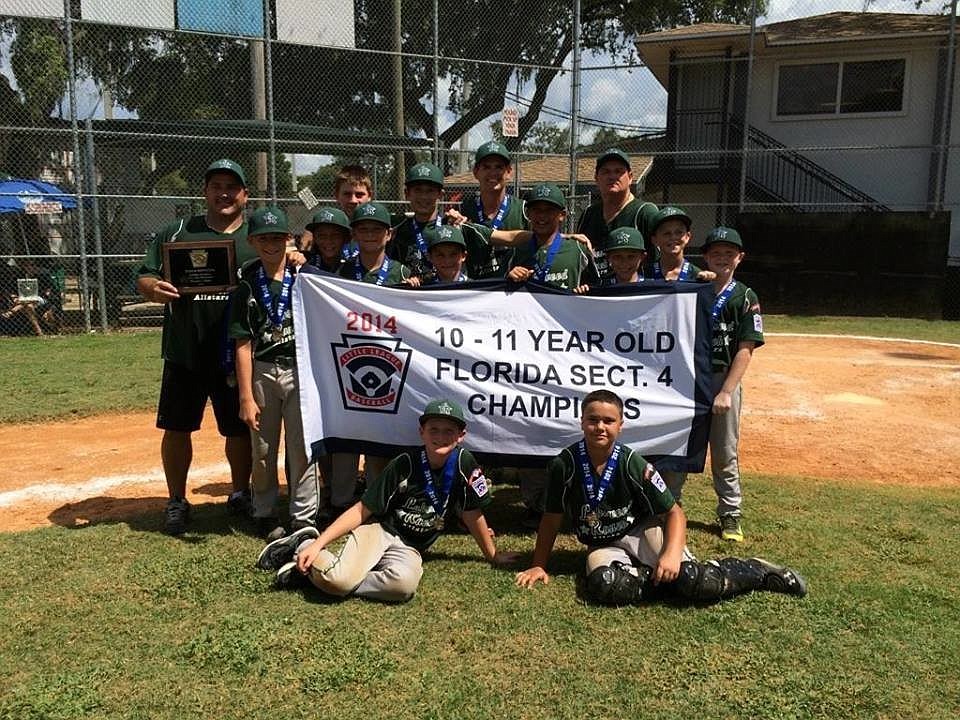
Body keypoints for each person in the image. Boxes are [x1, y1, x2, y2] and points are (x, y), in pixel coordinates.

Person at [515, 390, 806, 605]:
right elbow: (551, 519)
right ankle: (659, 578)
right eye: (593, 420)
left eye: (608, 420)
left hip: (641, 531)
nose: (600, 427)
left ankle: (757, 570)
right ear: (581, 422)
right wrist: (539, 564)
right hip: (601, 542)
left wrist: (669, 554)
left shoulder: (632, 463)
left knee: (694, 579)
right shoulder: (563, 465)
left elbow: (674, 513)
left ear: (620, 425)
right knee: (606, 587)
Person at [255, 399, 518, 602]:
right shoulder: (405, 463)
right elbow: (362, 510)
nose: (440, 436)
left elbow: (472, 513)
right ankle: (305, 545)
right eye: (433, 429)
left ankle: (316, 575)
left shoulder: (464, 463)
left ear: (461, 435)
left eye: (449, 431)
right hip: (381, 531)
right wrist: (324, 541)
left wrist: (492, 555)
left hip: (411, 545)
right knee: (339, 582)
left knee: (403, 587)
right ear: (421, 432)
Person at [135, 158, 256, 535]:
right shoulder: (178, 232)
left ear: (245, 195)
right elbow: (145, 274)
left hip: (233, 352)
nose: (224, 193)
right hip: (185, 349)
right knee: (176, 427)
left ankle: (239, 493)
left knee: (237, 430)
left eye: (231, 187)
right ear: (204, 192)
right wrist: (154, 289)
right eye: (216, 185)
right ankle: (176, 499)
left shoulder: (257, 236)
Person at [662, 227, 764, 543]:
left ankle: (730, 513)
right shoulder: (693, 288)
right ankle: (669, 506)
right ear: (705, 256)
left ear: (739, 258)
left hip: (721, 380)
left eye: (729, 253)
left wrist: (727, 391)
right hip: (689, 379)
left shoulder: (744, 296)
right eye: (716, 253)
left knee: (723, 451)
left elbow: (745, 348)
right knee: (679, 445)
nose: (722, 258)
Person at [229, 207, 314, 541]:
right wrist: (246, 396)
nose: (271, 244)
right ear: (252, 240)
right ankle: (264, 511)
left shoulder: (306, 277)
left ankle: (303, 515)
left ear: (288, 240)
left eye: (277, 238)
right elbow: (242, 343)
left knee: (302, 448)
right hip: (263, 372)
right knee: (263, 449)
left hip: (300, 370)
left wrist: (306, 261)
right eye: (263, 238)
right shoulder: (247, 284)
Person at [575, 149, 659, 283]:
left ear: (630, 177)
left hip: (636, 296)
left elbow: (663, 261)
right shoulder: (589, 213)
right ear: (596, 178)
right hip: (596, 296)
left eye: (618, 171)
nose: (612, 176)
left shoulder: (645, 212)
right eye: (606, 172)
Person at [506, 182, 599, 292]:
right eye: (536, 210)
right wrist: (510, 277)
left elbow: (597, 287)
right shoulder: (517, 251)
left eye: (549, 210)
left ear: (562, 215)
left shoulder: (578, 250)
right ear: (528, 213)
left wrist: (585, 291)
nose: (542, 216)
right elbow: (498, 291)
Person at [459, 140, 525, 278]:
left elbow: (543, 241)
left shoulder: (524, 210)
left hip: (513, 293)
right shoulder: (463, 210)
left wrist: (566, 237)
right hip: (475, 292)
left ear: (509, 172)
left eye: (499, 167)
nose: (493, 173)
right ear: (476, 172)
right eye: (486, 167)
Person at [300, 164, 373, 258]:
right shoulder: (317, 231)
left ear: (370, 196)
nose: (353, 200)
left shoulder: (382, 229)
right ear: (337, 196)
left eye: (359, 194)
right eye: (347, 194)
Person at [388, 162, 446, 279]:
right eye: (418, 190)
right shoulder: (397, 231)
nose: (423, 197)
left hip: (446, 294)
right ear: (407, 193)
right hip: (410, 294)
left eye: (430, 191)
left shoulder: (451, 226)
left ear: (440, 194)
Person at [646, 205, 712, 282]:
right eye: (666, 233)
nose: (673, 237)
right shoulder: (644, 275)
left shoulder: (697, 276)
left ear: (687, 237)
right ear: (654, 240)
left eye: (679, 232)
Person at [302, 206, 350, 273]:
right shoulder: (305, 263)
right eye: (322, 236)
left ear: (345, 239)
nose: (328, 241)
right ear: (315, 238)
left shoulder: (354, 266)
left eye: (335, 236)